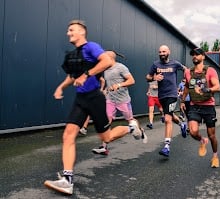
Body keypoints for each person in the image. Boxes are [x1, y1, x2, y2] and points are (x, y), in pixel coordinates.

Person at [44, 19, 146, 195]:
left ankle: (131, 127)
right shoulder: (72, 55)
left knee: (106, 138)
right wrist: (61, 87)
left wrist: (87, 74)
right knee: (68, 135)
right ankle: (67, 181)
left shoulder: (91, 47)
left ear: (82, 32)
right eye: (68, 31)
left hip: (95, 99)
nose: (68, 33)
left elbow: (106, 61)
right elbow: (72, 76)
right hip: (80, 99)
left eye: (72, 30)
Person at [92, 50, 147, 155]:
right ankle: (104, 147)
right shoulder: (106, 69)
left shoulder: (121, 67)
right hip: (110, 99)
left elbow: (132, 80)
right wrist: (105, 91)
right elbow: (109, 84)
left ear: (110, 58)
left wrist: (119, 85)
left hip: (123, 100)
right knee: (107, 121)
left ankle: (141, 130)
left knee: (130, 120)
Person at [180, 47, 220, 168]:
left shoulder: (210, 71)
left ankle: (215, 156)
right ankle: (202, 141)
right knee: (193, 131)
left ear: (203, 56)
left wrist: (206, 89)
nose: (194, 56)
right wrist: (182, 100)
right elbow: (187, 86)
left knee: (212, 135)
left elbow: (217, 87)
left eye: (197, 54)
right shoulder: (188, 72)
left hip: (208, 106)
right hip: (194, 106)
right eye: (193, 55)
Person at [146, 45, 187, 157]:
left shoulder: (175, 63)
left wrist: (187, 80)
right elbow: (147, 77)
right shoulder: (155, 65)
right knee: (170, 115)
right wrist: (154, 78)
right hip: (162, 96)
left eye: (164, 51)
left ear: (169, 52)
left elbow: (186, 70)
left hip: (172, 95)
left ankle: (166, 146)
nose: (161, 53)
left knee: (167, 118)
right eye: (160, 52)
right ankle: (182, 124)